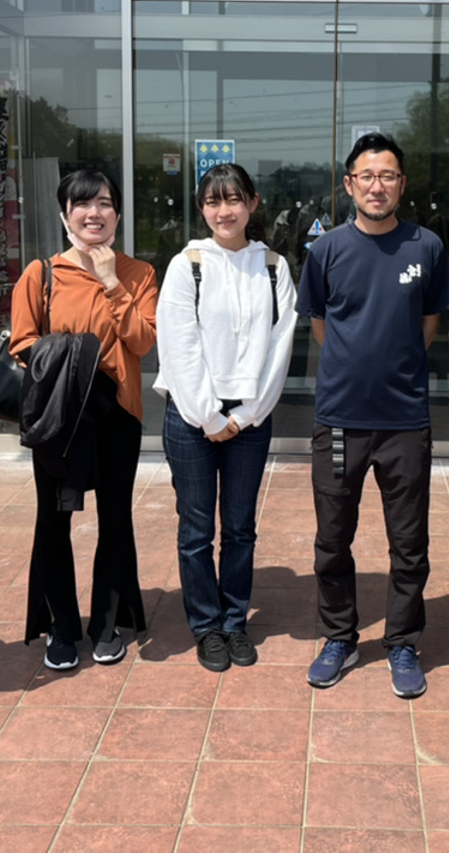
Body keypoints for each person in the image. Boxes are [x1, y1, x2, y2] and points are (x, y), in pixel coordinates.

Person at [296, 132, 449, 699]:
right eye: (366, 176)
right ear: (349, 184)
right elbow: (320, 324)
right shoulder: (326, 251)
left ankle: (403, 642)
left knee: (409, 542)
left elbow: (429, 324)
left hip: (405, 419)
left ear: (402, 184)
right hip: (340, 418)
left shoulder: (426, 247)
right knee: (332, 537)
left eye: (387, 175)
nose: (377, 185)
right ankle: (339, 636)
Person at [11, 169, 158, 670]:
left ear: (117, 214)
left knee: (115, 519)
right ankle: (60, 626)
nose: (94, 213)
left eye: (104, 203)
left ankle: (107, 623)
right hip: (60, 415)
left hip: (118, 413)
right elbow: (22, 344)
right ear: (65, 214)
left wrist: (112, 281)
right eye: (82, 203)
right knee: (53, 521)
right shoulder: (42, 274)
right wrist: (74, 358)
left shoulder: (139, 274)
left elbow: (143, 341)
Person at [154, 163, 298, 671]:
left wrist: (248, 413)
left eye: (234, 199)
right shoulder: (187, 264)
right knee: (196, 528)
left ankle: (235, 621)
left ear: (252, 204)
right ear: (202, 209)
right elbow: (177, 345)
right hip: (191, 417)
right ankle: (206, 625)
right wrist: (208, 416)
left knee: (239, 528)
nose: (224, 211)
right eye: (213, 201)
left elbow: (280, 347)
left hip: (251, 420)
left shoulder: (274, 267)